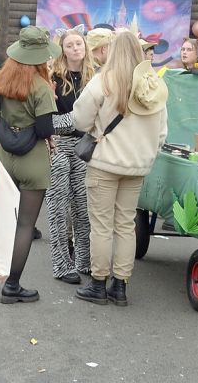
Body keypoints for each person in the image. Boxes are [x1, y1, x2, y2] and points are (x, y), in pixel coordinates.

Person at [66, 31, 167, 307]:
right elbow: (161, 133)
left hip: (104, 164)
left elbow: (80, 120)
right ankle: (120, 286)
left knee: (101, 227)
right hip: (136, 167)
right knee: (125, 225)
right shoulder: (154, 86)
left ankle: (98, 284)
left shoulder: (103, 81)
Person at [0, 26, 60, 304]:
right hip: (33, 161)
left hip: (4, 155)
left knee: (2, 220)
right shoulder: (41, 87)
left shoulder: (0, 82)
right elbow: (43, 128)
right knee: (26, 225)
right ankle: (13, 285)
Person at [47, 29, 95, 285]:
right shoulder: (52, 77)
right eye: (70, 44)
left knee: (83, 206)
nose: (76, 48)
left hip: (84, 146)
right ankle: (61, 264)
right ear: (62, 49)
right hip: (57, 146)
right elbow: (47, 121)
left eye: (79, 43)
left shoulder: (93, 78)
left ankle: (84, 260)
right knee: (58, 205)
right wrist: (77, 121)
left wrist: (82, 123)